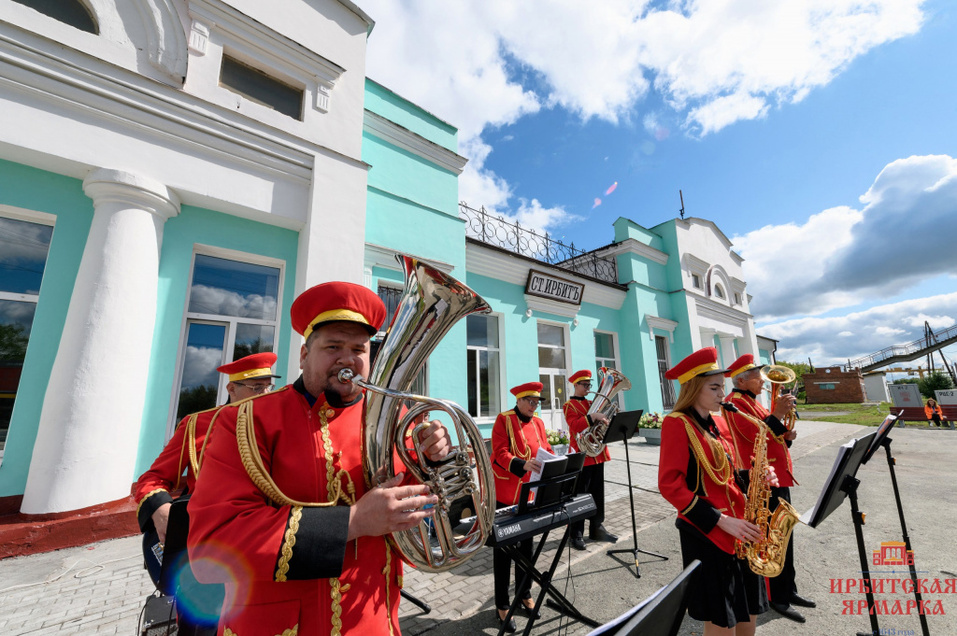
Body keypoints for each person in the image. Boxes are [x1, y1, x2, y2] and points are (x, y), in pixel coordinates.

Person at [186, 281, 452, 635]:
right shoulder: (244, 421)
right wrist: (352, 522)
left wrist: (433, 460)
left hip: (375, 621)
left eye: (358, 348)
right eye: (333, 346)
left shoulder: (394, 419)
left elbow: (416, 507)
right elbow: (211, 548)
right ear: (303, 355)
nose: (348, 358)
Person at [134, 351, 281, 635]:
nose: (265, 394)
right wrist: (161, 510)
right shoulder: (197, 425)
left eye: (268, 386)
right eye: (256, 387)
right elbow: (152, 479)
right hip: (206, 552)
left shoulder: (278, 425)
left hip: (262, 546)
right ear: (231, 388)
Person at [657, 347, 770, 636]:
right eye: (714, 387)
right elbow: (670, 485)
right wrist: (721, 520)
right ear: (693, 388)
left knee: (748, 612)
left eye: (722, 386)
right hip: (708, 533)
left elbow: (725, 474)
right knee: (722, 620)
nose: (723, 393)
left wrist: (755, 477)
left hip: (740, 529)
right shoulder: (677, 423)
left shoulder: (717, 422)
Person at [724, 355, 814, 623]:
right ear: (742, 380)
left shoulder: (752, 401)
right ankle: (777, 596)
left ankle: (788, 589)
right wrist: (777, 414)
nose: (763, 381)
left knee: (784, 536)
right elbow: (756, 435)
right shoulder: (734, 403)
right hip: (761, 481)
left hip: (776, 477)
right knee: (772, 538)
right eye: (757, 376)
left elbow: (772, 435)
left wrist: (786, 435)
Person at [490, 382, 554, 632]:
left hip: (531, 493)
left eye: (537, 402)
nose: (533, 405)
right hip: (507, 494)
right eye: (530, 401)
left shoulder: (538, 422)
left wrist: (555, 458)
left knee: (527, 548)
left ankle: (524, 594)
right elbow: (499, 453)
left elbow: (546, 448)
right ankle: (502, 604)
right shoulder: (504, 419)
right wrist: (521, 463)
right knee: (504, 553)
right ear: (518, 400)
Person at [563, 369, 618, 550]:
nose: (588, 387)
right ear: (576, 385)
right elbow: (575, 426)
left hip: (597, 454)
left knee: (597, 493)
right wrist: (593, 417)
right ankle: (575, 532)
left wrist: (605, 421)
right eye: (584, 385)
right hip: (581, 455)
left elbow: (598, 423)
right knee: (579, 495)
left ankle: (596, 528)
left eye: (589, 384)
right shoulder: (569, 405)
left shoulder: (591, 403)